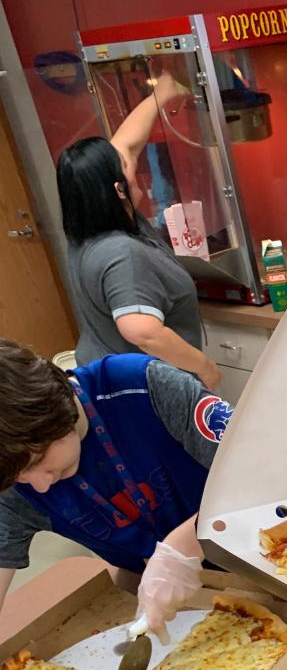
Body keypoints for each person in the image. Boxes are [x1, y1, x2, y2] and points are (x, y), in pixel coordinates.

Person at [0, 339, 234, 638]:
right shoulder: (10, 475)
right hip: (151, 590)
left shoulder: (141, 387)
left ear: (56, 408)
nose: (40, 485)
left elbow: (264, 475)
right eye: (20, 478)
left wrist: (183, 546)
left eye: (39, 460)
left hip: (259, 554)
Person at [56, 70, 221, 391]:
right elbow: (142, 331)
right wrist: (205, 367)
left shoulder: (89, 225)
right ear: (119, 189)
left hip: (104, 377)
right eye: (125, 166)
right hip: (141, 392)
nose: (132, 162)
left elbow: (126, 145)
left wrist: (163, 92)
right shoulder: (122, 252)